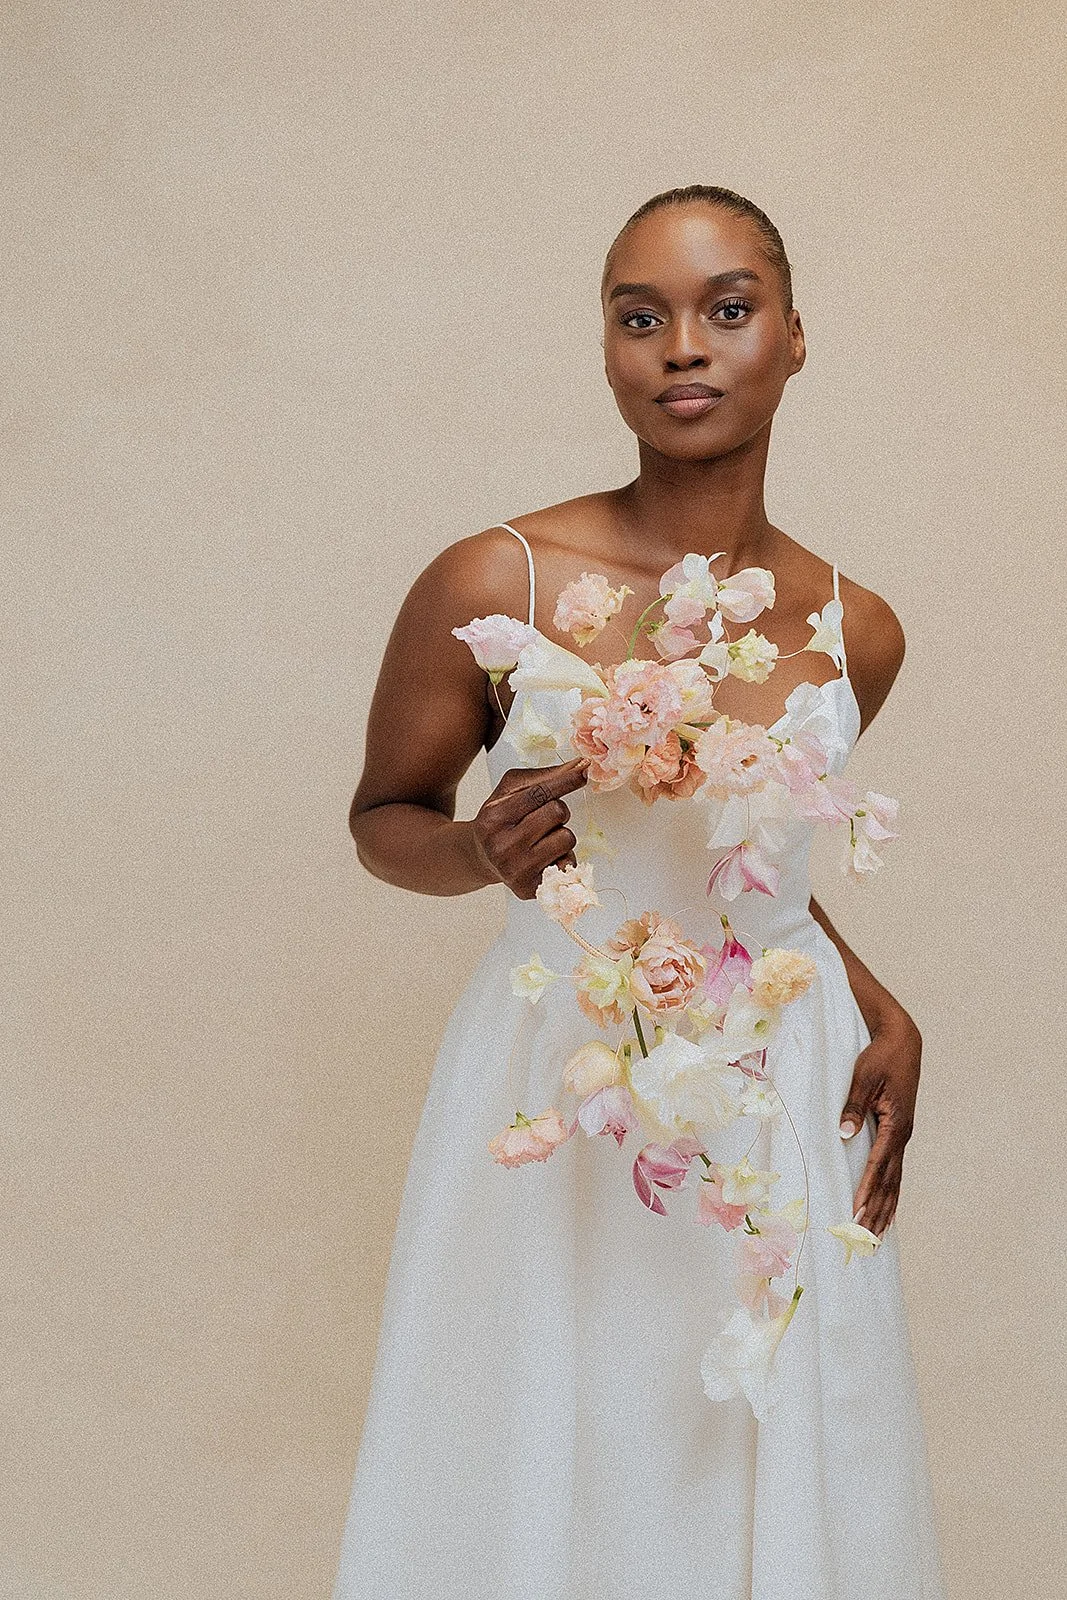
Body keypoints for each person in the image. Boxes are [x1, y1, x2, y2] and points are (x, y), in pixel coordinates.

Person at [332, 186, 946, 1599]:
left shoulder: (856, 631)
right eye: (639, 316)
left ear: (791, 339)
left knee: (748, 1435)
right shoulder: (499, 579)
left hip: (775, 1080)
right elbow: (385, 822)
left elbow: (752, 863)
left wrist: (868, 995)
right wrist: (477, 850)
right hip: (558, 1073)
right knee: (551, 1437)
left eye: (725, 310)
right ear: (606, 350)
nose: (683, 346)